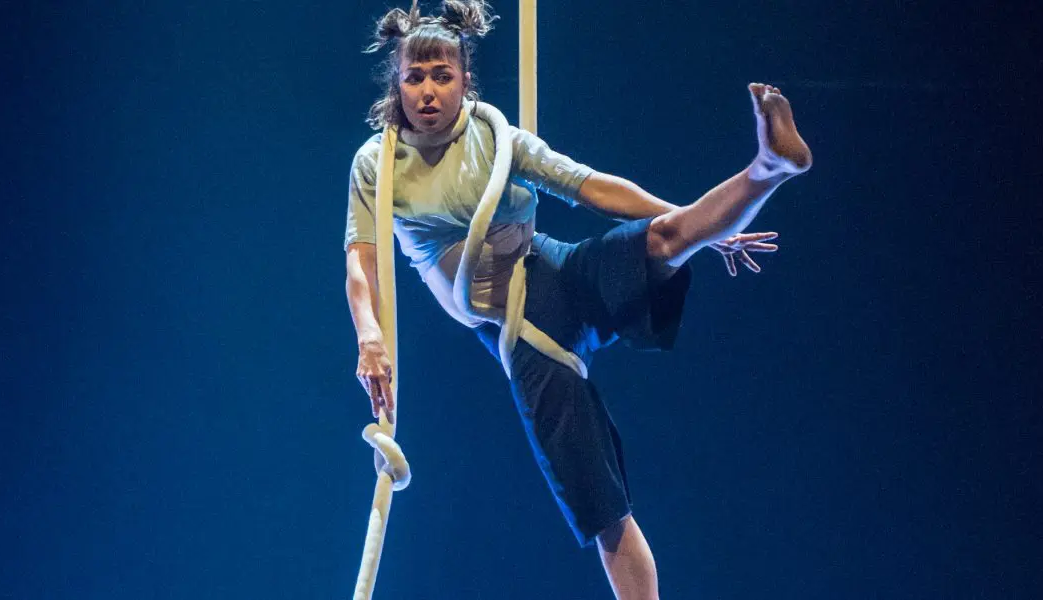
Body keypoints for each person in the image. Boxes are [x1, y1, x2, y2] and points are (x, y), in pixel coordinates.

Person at [343, 2, 811, 598]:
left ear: (465, 81)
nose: (428, 91)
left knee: (666, 237)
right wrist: (371, 337)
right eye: (415, 78)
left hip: (555, 273)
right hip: (518, 331)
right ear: (397, 85)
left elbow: (593, 187)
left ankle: (769, 167)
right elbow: (362, 262)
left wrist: (700, 226)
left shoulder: (496, 138)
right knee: (603, 509)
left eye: (442, 76)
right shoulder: (378, 164)